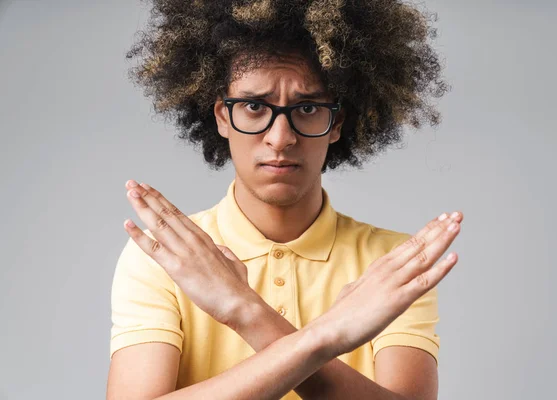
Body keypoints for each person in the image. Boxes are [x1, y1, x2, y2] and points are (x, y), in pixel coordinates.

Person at [107, 0, 462, 399]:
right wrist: (326, 336)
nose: (280, 138)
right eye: (255, 106)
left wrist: (246, 312)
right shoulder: (165, 256)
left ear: (336, 124)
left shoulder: (392, 262)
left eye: (307, 108)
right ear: (223, 117)